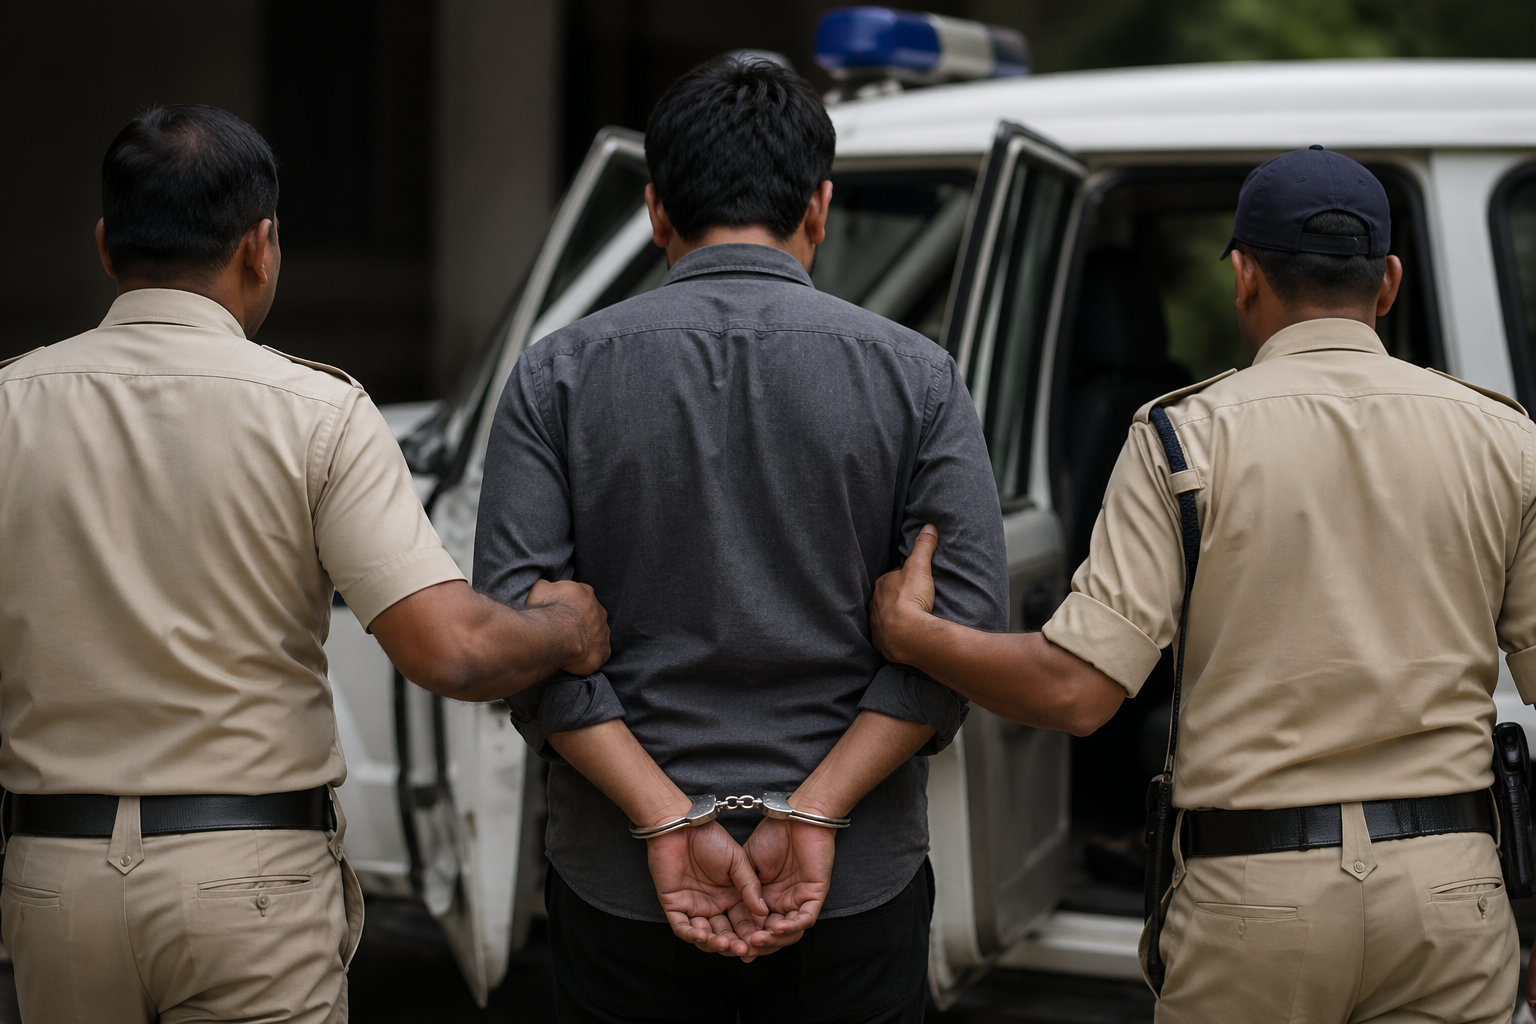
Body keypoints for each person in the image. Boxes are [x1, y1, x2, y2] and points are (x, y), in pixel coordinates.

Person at [870, 147, 1533, 1022]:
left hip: (1254, 899)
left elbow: (1076, 693)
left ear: (1244, 275)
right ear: (1389, 282)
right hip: (1454, 897)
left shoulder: (1183, 439)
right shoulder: (1506, 438)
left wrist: (913, 634)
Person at [0, 104, 609, 1024]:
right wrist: (565, 627)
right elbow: (450, 652)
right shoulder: (316, 413)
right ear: (261, 247)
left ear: (104, 245)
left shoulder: (13, 403)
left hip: (54, 881)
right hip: (249, 884)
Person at [473, 57, 1008, 1023]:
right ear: (820, 208)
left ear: (656, 211)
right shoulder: (919, 377)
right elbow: (964, 638)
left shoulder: (557, 375)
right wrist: (816, 808)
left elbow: (516, 641)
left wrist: (664, 818)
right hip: (852, 880)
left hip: (624, 882)